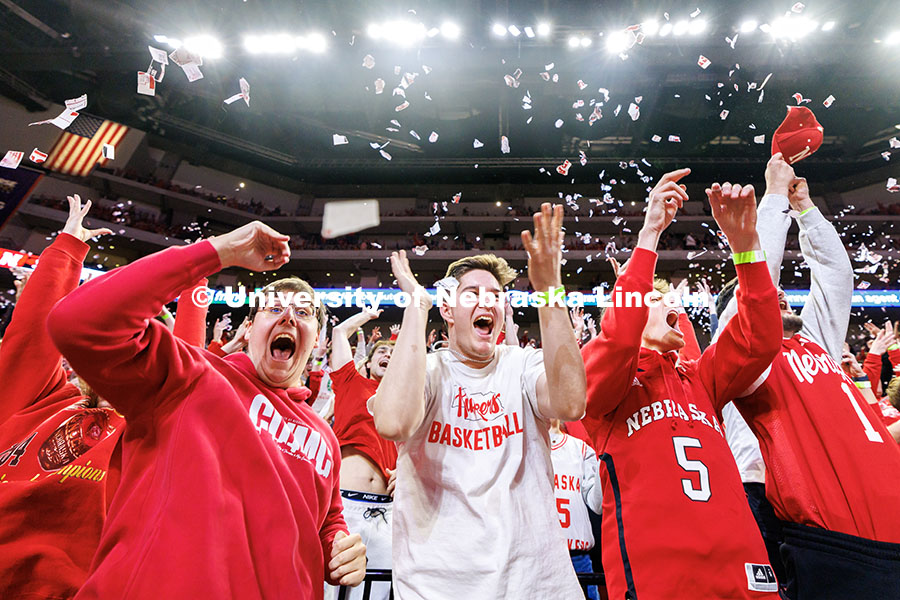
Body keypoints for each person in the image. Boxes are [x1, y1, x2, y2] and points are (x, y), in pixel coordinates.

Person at [47, 220, 366, 599]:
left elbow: (327, 521)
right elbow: (78, 322)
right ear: (248, 329)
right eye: (274, 308)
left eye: (304, 313)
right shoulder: (190, 377)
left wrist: (340, 549)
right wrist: (216, 253)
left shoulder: (324, 437)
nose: (287, 317)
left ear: (318, 341)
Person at [581, 170, 782, 599]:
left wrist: (746, 250)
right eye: (657, 300)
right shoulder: (609, 385)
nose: (671, 303)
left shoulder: (701, 377)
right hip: (662, 579)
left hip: (742, 570)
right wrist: (651, 232)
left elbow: (761, 337)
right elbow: (618, 338)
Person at [371, 203, 586, 599]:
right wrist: (418, 305)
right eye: (473, 294)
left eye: (496, 296)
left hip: (535, 585)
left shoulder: (521, 365)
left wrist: (549, 290)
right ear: (448, 308)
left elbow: (571, 404)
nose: (488, 302)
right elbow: (392, 423)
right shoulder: (429, 371)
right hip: (438, 587)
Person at [717, 154, 900, 600]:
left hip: (862, 520)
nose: (778, 294)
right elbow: (757, 285)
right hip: (768, 500)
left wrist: (807, 211)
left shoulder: (813, 342)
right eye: (770, 294)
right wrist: (774, 197)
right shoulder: (744, 356)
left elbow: (837, 278)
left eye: (782, 296)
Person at [327, 308, 398, 600]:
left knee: (380, 592)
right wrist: (365, 317)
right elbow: (339, 333)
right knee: (331, 589)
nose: (388, 357)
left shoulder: (409, 402)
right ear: (369, 362)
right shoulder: (350, 383)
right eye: (382, 352)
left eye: (394, 356)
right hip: (344, 506)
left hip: (390, 511)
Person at [549, 420, 602, 600]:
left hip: (578, 557)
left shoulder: (581, 450)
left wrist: (606, 459)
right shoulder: (524, 448)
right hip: (542, 556)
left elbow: (597, 505)